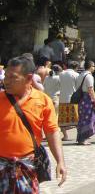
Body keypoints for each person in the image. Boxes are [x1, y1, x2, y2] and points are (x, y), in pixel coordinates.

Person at [0, 55, 67, 191]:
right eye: (6, 76)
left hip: (27, 167)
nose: (6, 81)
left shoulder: (43, 100)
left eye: (12, 77)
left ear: (29, 78)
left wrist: (60, 161)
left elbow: (52, 131)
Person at [76, 61, 95, 145]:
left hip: (82, 99)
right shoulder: (89, 76)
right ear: (90, 67)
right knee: (88, 118)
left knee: (82, 118)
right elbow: (90, 89)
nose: (94, 68)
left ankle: (81, 138)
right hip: (87, 99)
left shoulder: (80, 75)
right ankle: (83, 138)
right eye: (93, 66)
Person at [58, 61, 80, 140]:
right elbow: (78, 87)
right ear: (76, 67)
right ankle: (79, 134)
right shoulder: (76, 75)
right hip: (72, 98)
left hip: (62, 97)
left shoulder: (61, 74)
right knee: (76, 118)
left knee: (62, 119)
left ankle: (65, 136)